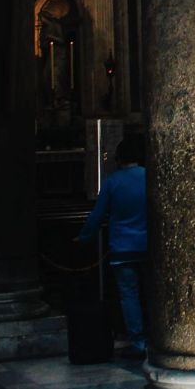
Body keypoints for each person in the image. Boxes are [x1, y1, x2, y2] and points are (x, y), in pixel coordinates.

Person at [77, 136, 147, 356]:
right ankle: (157, 338)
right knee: (151, 293)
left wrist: (84, 237)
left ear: (118, 159)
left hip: (122, 247)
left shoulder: (112, 182)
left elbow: (97, 215)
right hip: (148, 246)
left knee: (129, 296)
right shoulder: (149, 177)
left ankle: (138, 341)